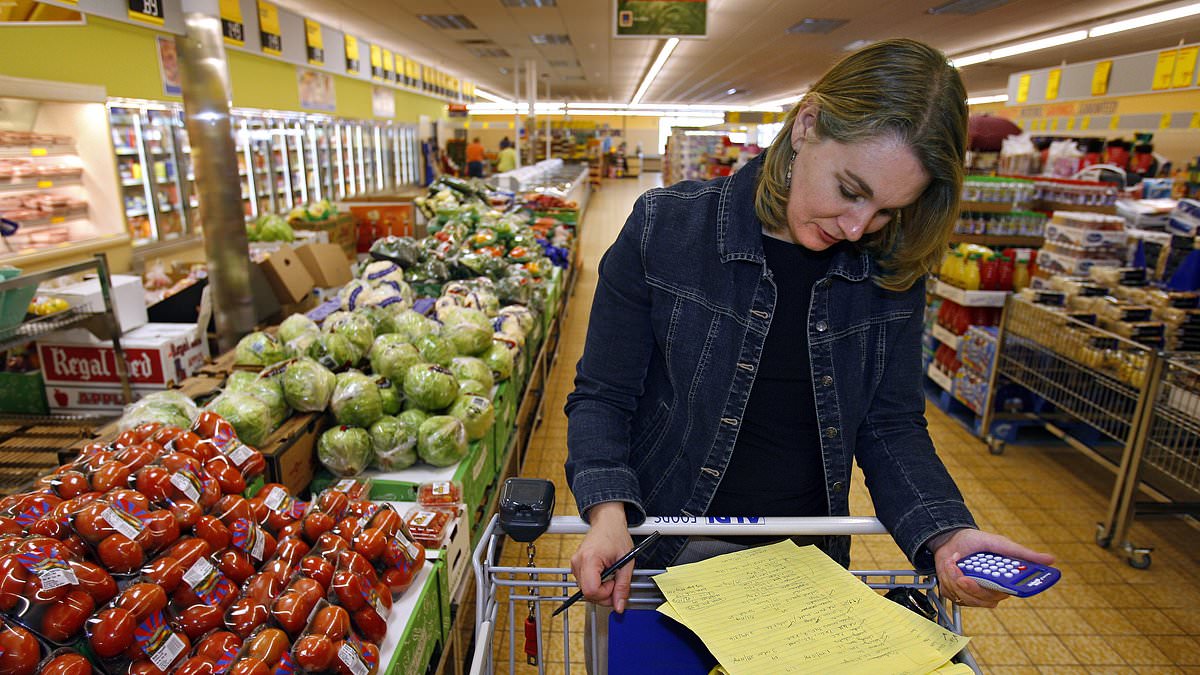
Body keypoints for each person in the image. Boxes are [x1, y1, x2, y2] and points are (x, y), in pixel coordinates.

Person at [564, 38, 1054, 620]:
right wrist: (608, 512)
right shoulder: (666, 227)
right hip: (660, 547)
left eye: (887, 211)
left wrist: (948, 533)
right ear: (806, 125)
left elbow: (891, 424)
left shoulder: (891, 266)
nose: (857, 227)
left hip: (806, 563)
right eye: (850, 190)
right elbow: (604, 395)